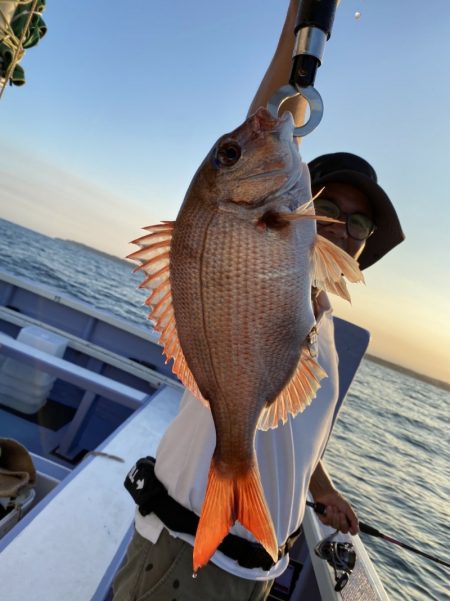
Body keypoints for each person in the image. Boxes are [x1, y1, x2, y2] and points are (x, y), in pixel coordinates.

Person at [112, 2, 404, 600]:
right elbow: (271, 112)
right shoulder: (255, 234)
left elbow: (289, 427)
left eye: (360, 224)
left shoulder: (319, 321)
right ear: (302, 201)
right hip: (187, 555)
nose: (344, 226)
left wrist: (320, 487)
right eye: (330, 207)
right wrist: (303, 13)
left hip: (256, 570)